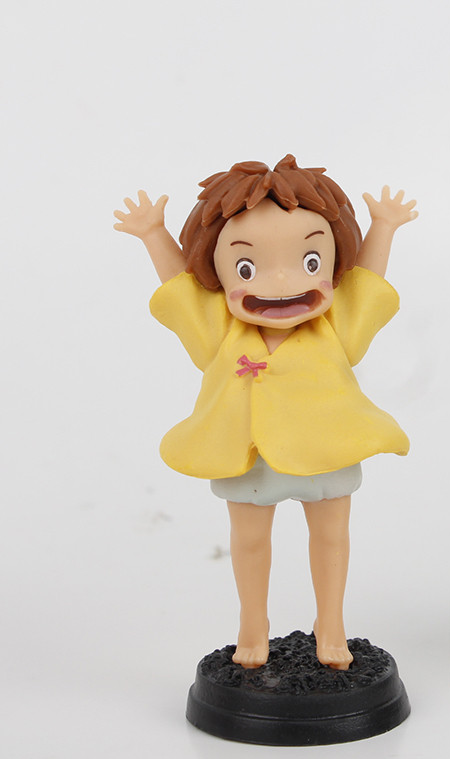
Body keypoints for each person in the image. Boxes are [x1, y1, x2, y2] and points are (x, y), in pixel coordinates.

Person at [115, 156, 417, 669]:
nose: (281, 282)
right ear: (216, 270)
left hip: (328, 448)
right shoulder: (220, 330)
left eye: (310, 261)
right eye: (247, 268)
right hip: (248, 452)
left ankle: (332, 624)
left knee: (331, 536)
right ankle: (252, 626)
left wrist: (384, 227)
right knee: (250, 540)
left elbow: (367, 284)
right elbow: (182, 292)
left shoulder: (335, 326)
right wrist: (153, 235)